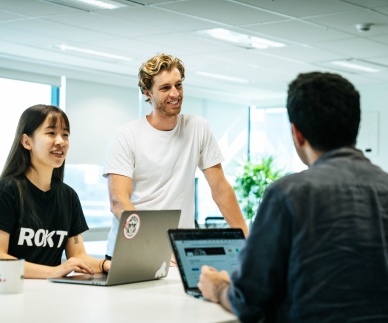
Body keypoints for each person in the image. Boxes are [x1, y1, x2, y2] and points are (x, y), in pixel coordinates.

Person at [198, 72, 388, 322]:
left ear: (297, 134)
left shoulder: (287, 193)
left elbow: (250, 301)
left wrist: (220, 288)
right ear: (355, 126)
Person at [102, 53, 249, 259]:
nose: (175, 93)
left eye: (178, 85)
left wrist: (247, 241)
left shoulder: (197, 127)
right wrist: (154, 248)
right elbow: (119, 201)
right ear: (148, 93)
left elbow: (221, 189)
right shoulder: (126, 135)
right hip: (133, 250)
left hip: (179, 252)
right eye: (165, 88)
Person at [0, 104, 110, 278]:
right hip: (11, 292)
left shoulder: (68, 196)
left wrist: (107, 264)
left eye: (65, 135)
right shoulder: (8, 190)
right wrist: (53, 271)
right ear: (27, 142)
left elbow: (78, 256)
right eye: (51, 133)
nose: (61, 141)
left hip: (50, 293)